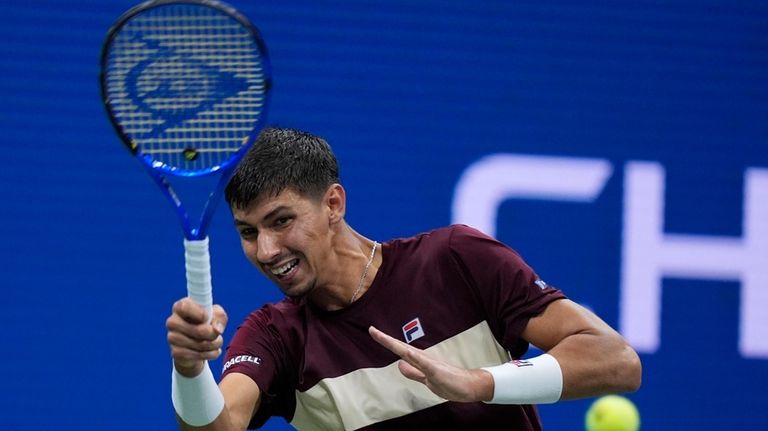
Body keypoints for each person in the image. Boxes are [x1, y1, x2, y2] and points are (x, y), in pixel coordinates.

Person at [165, 127, 641, 431]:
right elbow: (219, 427)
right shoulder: (276, 337)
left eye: (282, 221)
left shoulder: (455, 260)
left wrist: (477, 383)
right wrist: (189, 369)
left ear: (333, 204)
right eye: (248, 233)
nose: (266, 251)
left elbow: (616, 361)